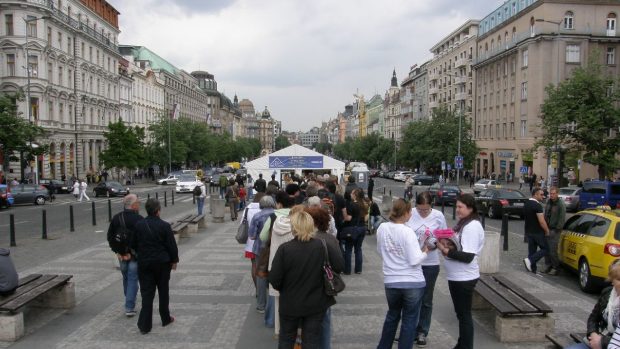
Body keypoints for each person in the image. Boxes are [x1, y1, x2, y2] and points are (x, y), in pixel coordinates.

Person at [269, 210, 344, 349]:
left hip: (290, 303)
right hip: (316, 303)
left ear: (293, 227)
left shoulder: (285, 249)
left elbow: (274, 279)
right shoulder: (322, 245)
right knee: (311, 340)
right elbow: (339, 265)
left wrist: (285, 288)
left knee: (286, 339)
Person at [376, 199, 428, 349]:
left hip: (391, 281)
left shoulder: (382, 228)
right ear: (405, 213)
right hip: (412, 282)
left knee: (392, 315)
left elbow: (380, 251)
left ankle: (383, 346)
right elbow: (414, 259)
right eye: (410, 211)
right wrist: (426, 250)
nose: (411, 214)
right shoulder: (407, 231)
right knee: (409, 320)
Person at [435, 194, 484, 349]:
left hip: (464, 277)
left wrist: (444, 250)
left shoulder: (472, 226)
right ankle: (462, 344)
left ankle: (466, 346)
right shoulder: (464, 223)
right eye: (456, 206)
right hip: (457, 276)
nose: (457, 210)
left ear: (470, 208)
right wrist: (447, 242)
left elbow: (468, 256)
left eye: (460, 207)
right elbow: (460, 246)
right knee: (461, 314)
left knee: (464, 316)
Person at [406, 191, 448, 347]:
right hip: (413, 262)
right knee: (411, 298)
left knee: (426, 299)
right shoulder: (410, 214)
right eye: (420, 209)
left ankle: (422, 331)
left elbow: (443, 237)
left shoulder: (438, 216)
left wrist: (437, 244)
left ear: (431, 206)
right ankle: (409, 330)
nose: (423, 212)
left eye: (426, 209)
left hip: (430, 263)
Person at [130, 198, 179, 335]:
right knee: (163, 291)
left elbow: (133, 243)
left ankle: (145, 325)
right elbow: (171, 246)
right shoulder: (164, 226)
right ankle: (165, 318)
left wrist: (140, 252)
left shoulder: (139, 225)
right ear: (158, 211)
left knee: (147, 293)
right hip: (162, 264)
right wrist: (174, 260)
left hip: (145, 263)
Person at [304, 206, 343, 349]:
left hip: (303, 288)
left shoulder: (304, 237)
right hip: (323, 288)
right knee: (325, 322)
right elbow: (339, 265)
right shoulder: (330, 239)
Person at [259, 192, 296, 337]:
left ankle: (273, 323)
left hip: (275, 258)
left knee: (275, 293)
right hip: (293, 260)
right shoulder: (296, 217)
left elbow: (262, 237)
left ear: (279, 203)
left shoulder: (273, 217)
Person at [566, 259, 620, 349]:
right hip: (595, 340)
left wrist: (601, 342)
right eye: (619, 279)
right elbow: (593, 318)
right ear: (612, 280)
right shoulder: (607, 293)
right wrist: (593, 334)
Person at [107, 194, 143, 317]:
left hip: (122, 256)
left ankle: (129, 300)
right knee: (132, 279)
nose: (139, 204)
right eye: (138, 202)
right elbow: (142, 240)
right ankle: (129, 306)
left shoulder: (117, 218)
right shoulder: (139, 219)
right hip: (134, 256)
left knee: (126, 278)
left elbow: (110, 237)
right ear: (133, 205)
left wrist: (118, 252)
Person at [249, 195, 276, 317]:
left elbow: (252, 236)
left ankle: (261, 305)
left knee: (261, 276)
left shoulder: (257, 216)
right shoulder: (277, 215)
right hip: (274, 248)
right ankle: (274, 303)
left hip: (260, 249)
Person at [242, 193, 264, 303]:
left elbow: (242, 223)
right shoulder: (265, 209)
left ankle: (257, 290)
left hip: (251, 243)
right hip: (264, 243)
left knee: (254, 265)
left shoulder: (247, 209)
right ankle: (264, 289)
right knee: (264, 266)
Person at [523, 188, 550, 274]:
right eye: (541, 195)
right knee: (545, 249)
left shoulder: (526, 204)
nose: (543, 196)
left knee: (532, 250)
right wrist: (547, 230)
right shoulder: (537, 206)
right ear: (535, 195)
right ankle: (530, 260)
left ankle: (532, 269)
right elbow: (541, 221)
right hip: (537, 232)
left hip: (528, 231)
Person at [341, 188, 367, 275]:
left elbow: (348, 218)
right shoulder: (364, 204)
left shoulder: (352, 205)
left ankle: (347, 270)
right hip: (362, 227)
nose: (351, 194)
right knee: (358, 249)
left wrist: (344, 214)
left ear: (355, 195)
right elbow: (366, 217)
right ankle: (358, 269)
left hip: (352, 228)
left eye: (352, 193)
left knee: (348, 249)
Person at [543, 186, 566, 276]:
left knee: (553, 249)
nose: (551, 195)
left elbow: (561, 218)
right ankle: (548, 265)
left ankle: (555, 267)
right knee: (546, 249)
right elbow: (546, 214)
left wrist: (557, 229)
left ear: (557, 194)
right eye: (550, 193)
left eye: (553, 194)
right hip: (547, 228)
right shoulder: (549, 202)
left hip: (555, 229)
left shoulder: (560, 204)